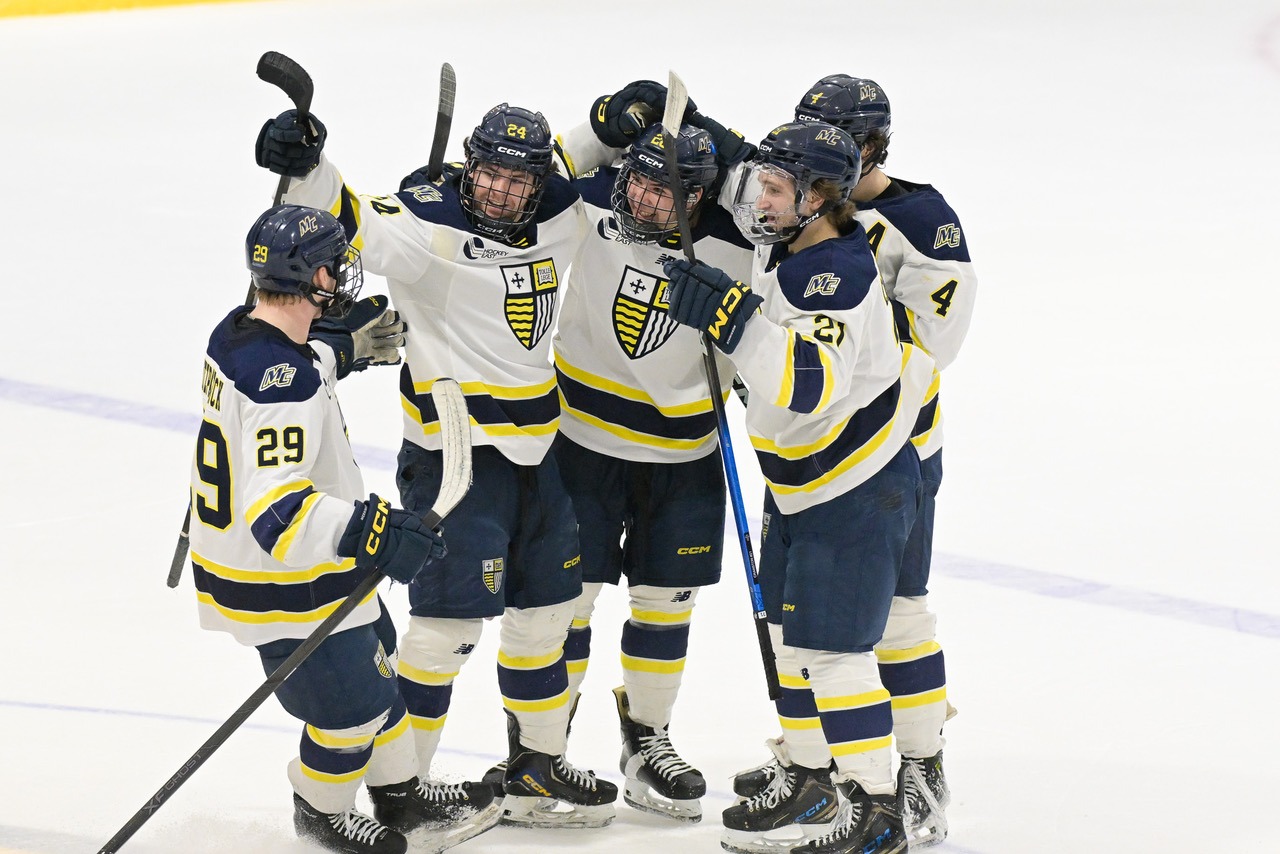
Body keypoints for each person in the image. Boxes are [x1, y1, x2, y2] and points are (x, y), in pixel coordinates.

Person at [255, 100, 632, 828]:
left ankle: (535, 769)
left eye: (517, 180)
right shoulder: (424, 223)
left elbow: (577, 151)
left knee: (546, 618)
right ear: (469, 163)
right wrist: (305, 164)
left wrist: (614, 116)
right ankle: (406, 790)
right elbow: (347, 215)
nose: (500, 192)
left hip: (539, 453)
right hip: (455, 460)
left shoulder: (558, 206)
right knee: (444, 632)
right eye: (488, 174)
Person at [661, 121, 936, 854]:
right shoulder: (788, 241)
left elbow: (809, 384)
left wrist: (730, 319)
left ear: (818, 197)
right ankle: (813, 782)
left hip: (854, 489)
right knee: (791, 642)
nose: (760, 201)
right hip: (800, 488)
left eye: (776, 189)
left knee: (835, 653)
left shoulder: (835, 273)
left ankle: (877, 812)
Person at [189, 203, 495, 853]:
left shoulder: (238, 334)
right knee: (351, 709)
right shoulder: (285, 386)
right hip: (282, 582)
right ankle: (320, 811)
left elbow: (293, 364)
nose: (343, 275)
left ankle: (400, 793)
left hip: (296, 566)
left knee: (381, 671)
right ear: (317, 276)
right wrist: (372, 531)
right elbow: (279, 514)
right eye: (334, 265)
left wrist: (341, 348)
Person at [732, 76, 977, 849]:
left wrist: (813, 343)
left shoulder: (922, 223)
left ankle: (918, 769)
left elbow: (931, 345)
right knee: (800, 621)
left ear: (873, 145)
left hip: (890, 446)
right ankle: (814, 769)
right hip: (811, 445)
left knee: (895, 618)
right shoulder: (793, 210)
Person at [543, 111, 755, 823]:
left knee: (667, 605)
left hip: (684, 456)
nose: (643, 200)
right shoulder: (590, 201)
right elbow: (527, 176)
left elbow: (790, 203)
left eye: (666, 192)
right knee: (566, 603)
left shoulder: (740, 240)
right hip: (582, 445)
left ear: (701, 196)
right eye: (638, 182)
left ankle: (647, 739)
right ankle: (543, 749)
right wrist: (600, 122)